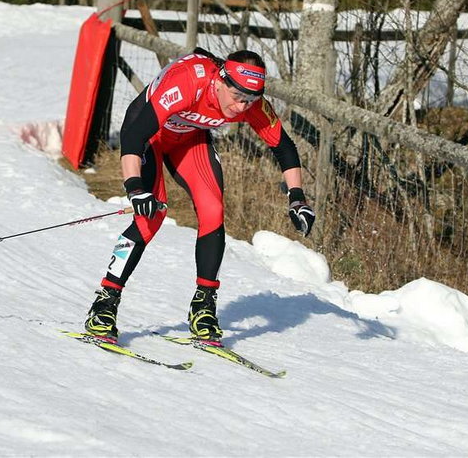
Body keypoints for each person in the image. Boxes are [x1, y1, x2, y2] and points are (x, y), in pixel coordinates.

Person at [84, 48, 315, 342]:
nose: (242, 107)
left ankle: (203, 307)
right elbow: (134, 135)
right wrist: (135, 189)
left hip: (190, 138)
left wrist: (297, 197)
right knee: (150, 217)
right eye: (237, 97)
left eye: (250, 100)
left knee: (213, 210)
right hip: (149, 135)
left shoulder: (250, 100)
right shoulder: (188, 82)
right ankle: (104, 303)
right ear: (220, 81)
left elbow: (283, 146)